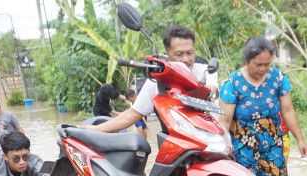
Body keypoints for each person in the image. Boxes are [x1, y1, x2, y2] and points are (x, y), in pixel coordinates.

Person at [219, 37, 307, 176]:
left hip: (273, 142)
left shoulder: (278, 78)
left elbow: (288, 110)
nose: (263, 69)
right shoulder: (232, 83)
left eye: (267, 64)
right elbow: (225, 121)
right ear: (247, 61)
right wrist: (224, 146)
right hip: (243, 146)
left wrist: (300, 139)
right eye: (258, 64)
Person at [88, 25, 217, 134]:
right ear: (168, 53)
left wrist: (212, 90)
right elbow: (132, 115)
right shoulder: (156, 82)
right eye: (179, 54)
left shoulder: (206, 71)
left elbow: (218, 99)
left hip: (210, 141)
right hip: (179, 149)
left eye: (190, 53)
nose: (186, 59)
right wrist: (94, 129)